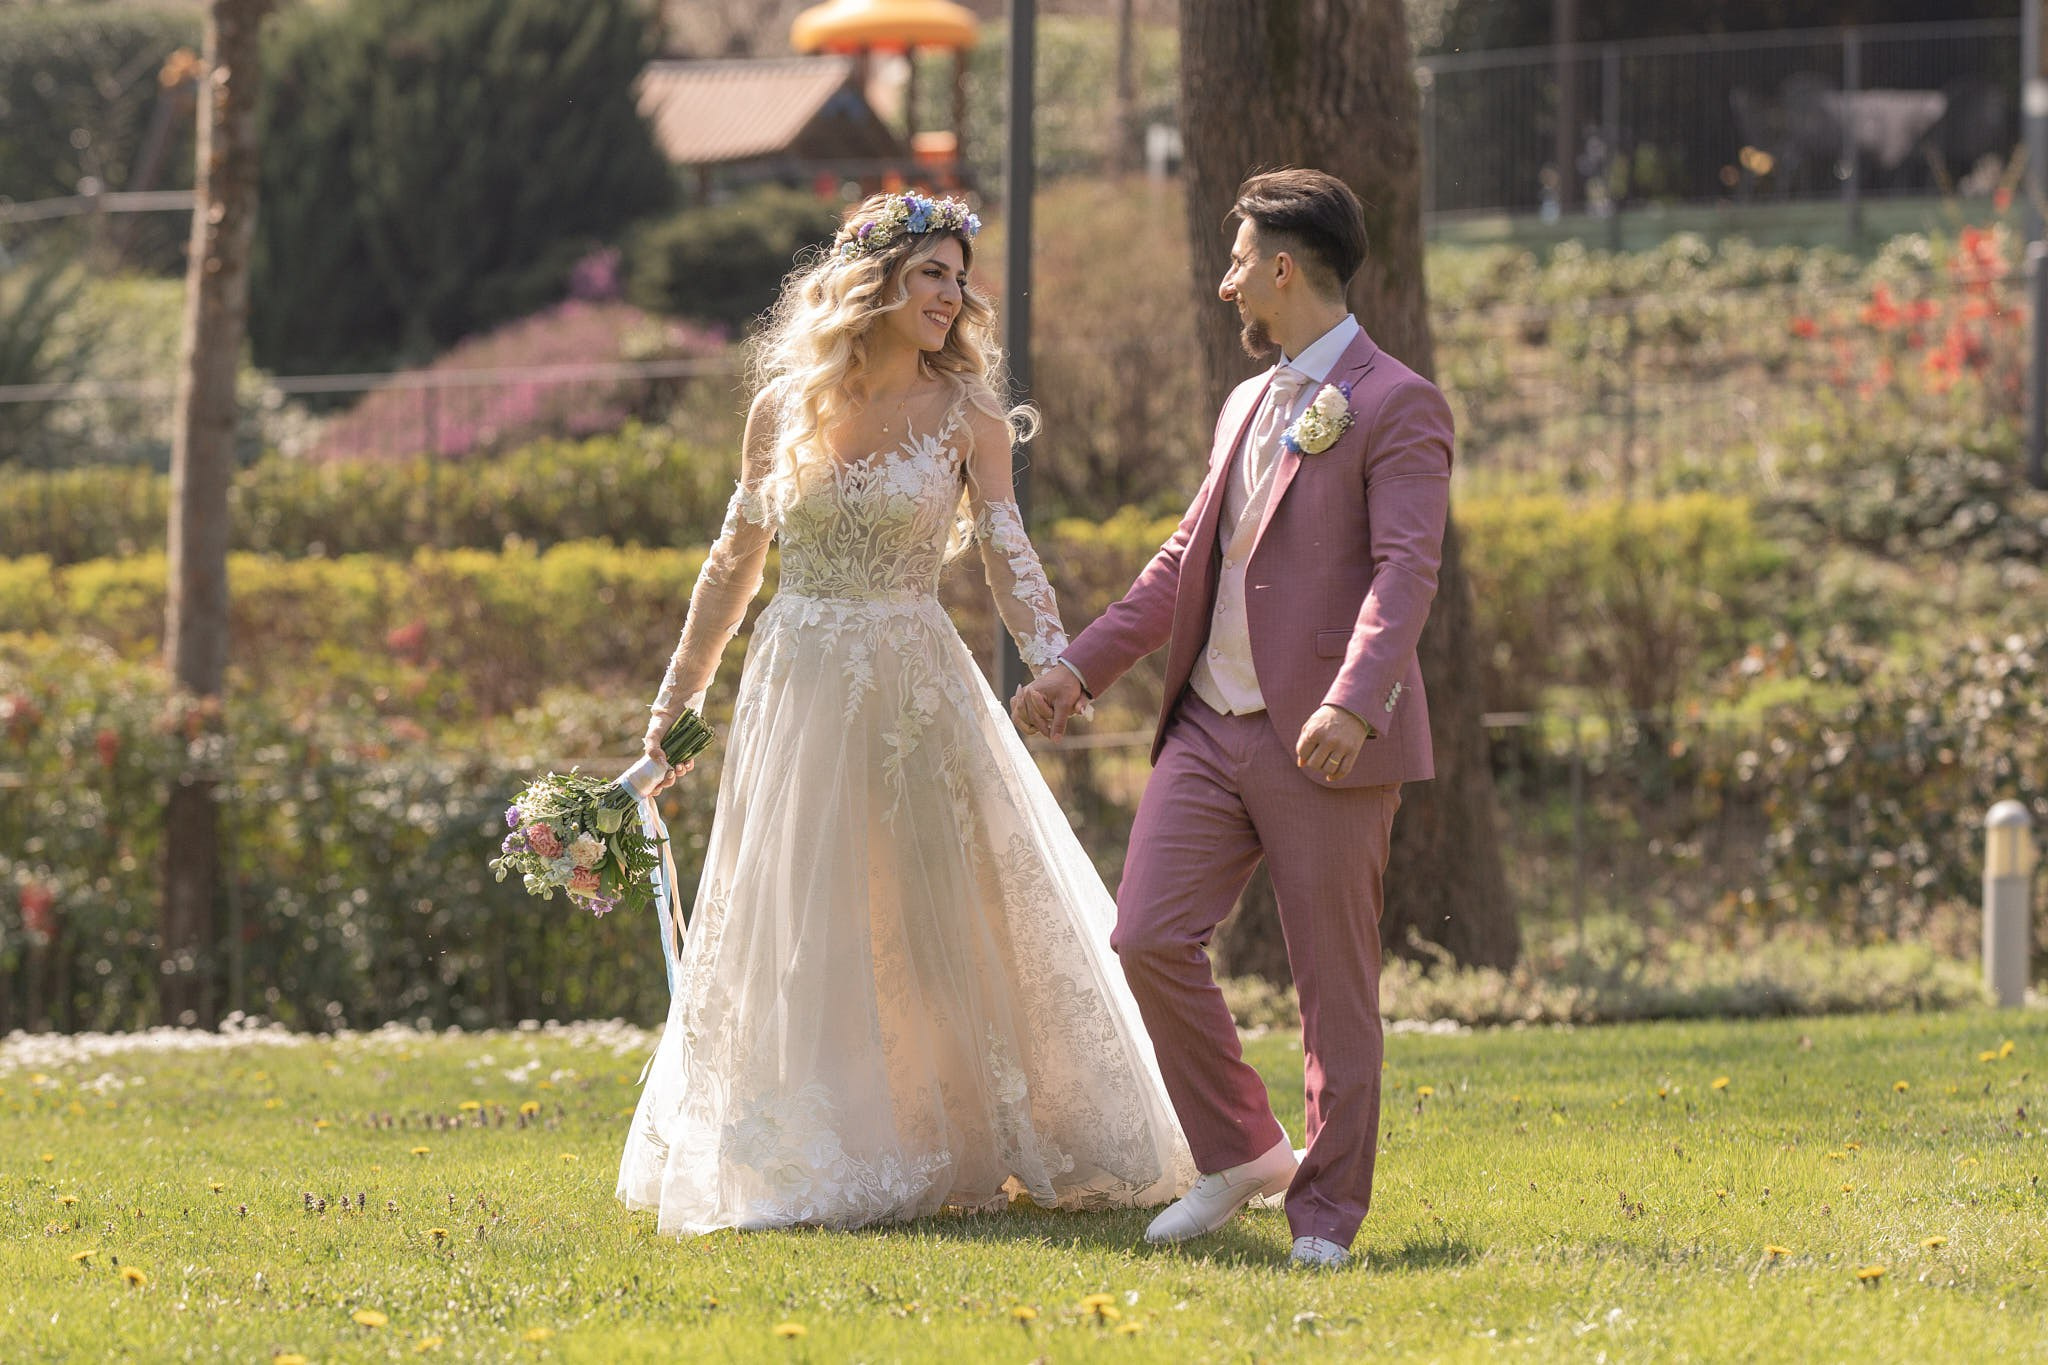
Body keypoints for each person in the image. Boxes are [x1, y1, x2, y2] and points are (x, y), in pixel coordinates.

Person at [616, 191, 1193, 1235]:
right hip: (794, 685)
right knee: (805, 907)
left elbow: (1010, 553)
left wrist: (1055, 664)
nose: (952, 295)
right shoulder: (780, 408)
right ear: (873, 279)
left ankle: (963, 1128)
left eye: (959, 277)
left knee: (933, 907)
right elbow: (732, 565)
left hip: (909, 679)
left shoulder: (968, 413)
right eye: (933, 272)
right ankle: (811, 1141)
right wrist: (676, 707)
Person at [1013, 168, 1452, 1270]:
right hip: (1209, 727)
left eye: (1238, 261)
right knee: (1146, 936)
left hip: (1325, 741)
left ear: (1283, 268)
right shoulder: (1244, 403)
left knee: (1331, 991)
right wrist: (1078, 669)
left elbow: (1405, 572)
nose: (1226, 286)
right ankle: (1244, 1149)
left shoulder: (1397, 402)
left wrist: (1356, 702)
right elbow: (1186, 564)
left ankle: (1324, 1216)